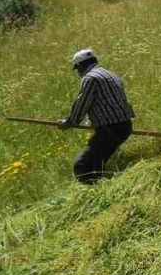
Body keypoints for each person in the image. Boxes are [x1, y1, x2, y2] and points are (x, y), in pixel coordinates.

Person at [58, 49, 135, 184]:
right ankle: (104, 186)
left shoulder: (90, 78)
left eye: (77, 69)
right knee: (96, 163)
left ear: (81, 65)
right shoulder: (109, 74)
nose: (78, 73)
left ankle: (95, 194)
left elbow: (83, 102)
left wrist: (70, 121)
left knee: (82, 165)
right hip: (124, 125)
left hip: (110, 129)